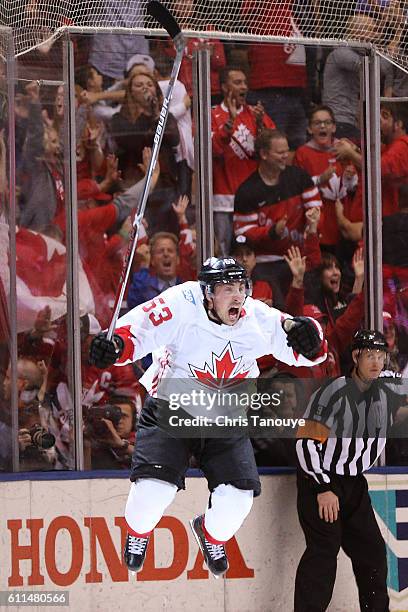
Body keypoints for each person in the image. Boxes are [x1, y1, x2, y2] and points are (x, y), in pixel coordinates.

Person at [89, 257, 327, 577]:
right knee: (153, 493)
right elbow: (141, 329)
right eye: (228, 289)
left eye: (242, 288)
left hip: (225, 420)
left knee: (238, 500)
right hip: (173, 411)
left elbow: (308, 346)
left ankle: (209, 534)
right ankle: (137, 533)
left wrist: (311, 336)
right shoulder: (181, 304)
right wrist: (117, 344)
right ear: (208, 293)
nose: (238, 296)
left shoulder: (255, 316)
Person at [294, 329, 408, 612]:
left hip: (354, 484)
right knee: (323, 553)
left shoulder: (387, 388)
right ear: (356, 356)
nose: (376, 362)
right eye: (369, 355)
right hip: (320, 479)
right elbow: (305, 442)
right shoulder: (332, 393)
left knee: (372, 555)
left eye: (381, 355)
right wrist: (322, 488)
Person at [234, 128, 321, 307]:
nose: (285, 156)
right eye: (280, 152)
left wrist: (314, 217)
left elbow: (316, 206)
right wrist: (271, 232)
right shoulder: (247, 191)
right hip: (266, 264)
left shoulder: (299, 177)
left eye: (287, 151)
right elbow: (243, 232)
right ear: (264, 154)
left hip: (298, 258)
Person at [212, 66, 275, 255]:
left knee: (252, 251)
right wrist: (229, 123)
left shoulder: (255, 114)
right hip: (223, 198)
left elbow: (273, 149)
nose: (244, 87)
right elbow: (213, 150)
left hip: (252, 197)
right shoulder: (212, 114)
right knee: (223, 253)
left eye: (245, 83)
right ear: (224, 87)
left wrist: (260, 124)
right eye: (237, 82)